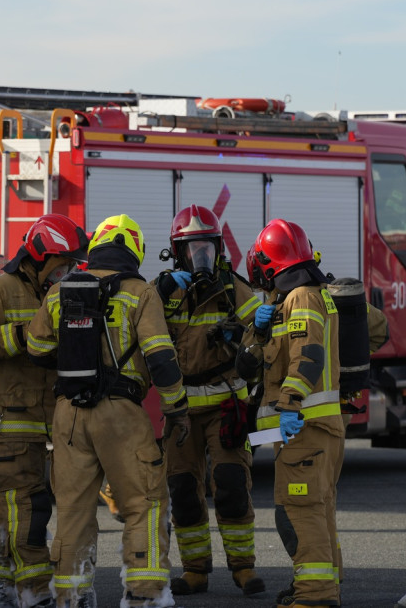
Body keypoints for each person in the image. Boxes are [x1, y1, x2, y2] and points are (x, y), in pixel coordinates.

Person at [24, 213, 191, 608]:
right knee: (145, 504)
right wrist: (177, 407)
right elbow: (161, 358)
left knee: (74, 512)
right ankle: (145, 595)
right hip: (121, 414)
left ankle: (71, 598)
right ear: (134, 250)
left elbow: (37, 348)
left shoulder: (61, 290)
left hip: (69, 413)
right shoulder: (140, 292)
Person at [0, 214, 88, 608]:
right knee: (30, 506)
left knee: (9, 506)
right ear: (39, 257)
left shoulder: (57, 294)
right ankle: (34, 590)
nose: (67, 272)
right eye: (62, 264)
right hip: (7, 418)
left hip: (39, 420)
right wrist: (25, 335)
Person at [151, 205, 265, 597]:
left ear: (218, 248)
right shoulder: (164, 293)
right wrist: (158, 294)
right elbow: (136, 330)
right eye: (191, 248)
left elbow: (263, 335)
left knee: (232, 484)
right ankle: (195, 571)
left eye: (206, 247)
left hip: (224, 407)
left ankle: (244, 568)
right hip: (181, 414)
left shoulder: (234, 289)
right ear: (177, 252)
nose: (200, 256)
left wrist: (241, 341)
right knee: (182, 489)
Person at [235, 219, 344, 608]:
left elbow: (307, 356)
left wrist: (290, 405)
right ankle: (323, 586)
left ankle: (315, 597)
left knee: (298, 513)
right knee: (318, 510)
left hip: (303, 427)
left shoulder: (300, 297)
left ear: (270, 262)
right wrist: (259, 331)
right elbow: (255, 364)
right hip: (312, 429)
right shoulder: (300, 297)